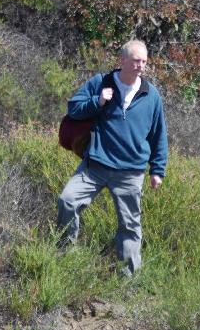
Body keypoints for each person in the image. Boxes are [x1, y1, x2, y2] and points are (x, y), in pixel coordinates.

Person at [57, 39, 168, 276]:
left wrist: (157, 170)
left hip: (131, 171)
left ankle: (128, 277)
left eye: (144, 62)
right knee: (67, 201)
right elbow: (73, 109)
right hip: (95, 165)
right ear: (123, 61)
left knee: (130, 226)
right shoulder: (101, 82)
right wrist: (97, 101)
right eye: (136, 61)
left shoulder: (151, 95)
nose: (141, 66)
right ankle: (64, 257)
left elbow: (159, 135)